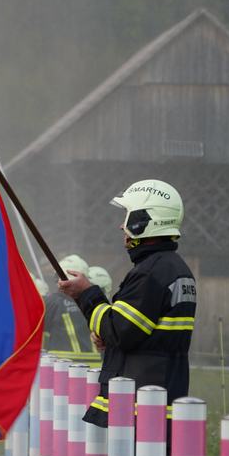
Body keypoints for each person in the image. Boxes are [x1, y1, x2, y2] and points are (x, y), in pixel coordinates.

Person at [58, 179, 196, 430]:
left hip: (139, 405)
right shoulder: (172, 268)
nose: (121, 225)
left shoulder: (151, 272)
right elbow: (140, 333)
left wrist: (86, 293)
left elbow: (121, 331)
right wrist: (110, 337)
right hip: (157, 396)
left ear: (145, 220)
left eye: (128, 216)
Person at [44, 254, 98, 362]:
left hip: (61, 365)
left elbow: (39, 330)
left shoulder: (53, 301)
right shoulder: (95, 299)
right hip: (96, 364)